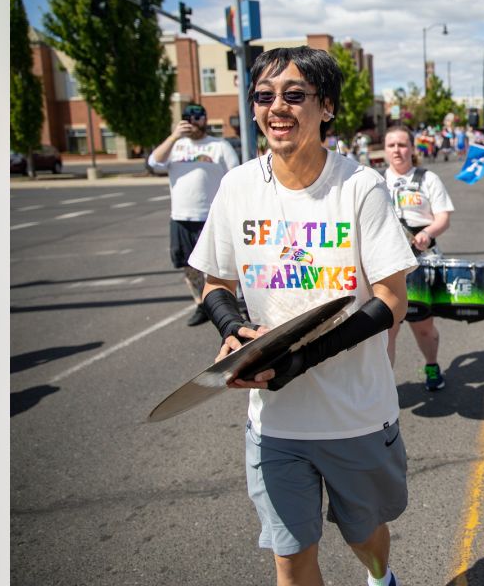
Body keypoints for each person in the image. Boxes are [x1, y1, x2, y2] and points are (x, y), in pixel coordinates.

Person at [188, 46, 417, 586]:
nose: (277, 108)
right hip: (274, 421)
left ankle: (380, 578)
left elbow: (390, 300)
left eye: (294, 95)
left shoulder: (360, 188)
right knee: (290, 556)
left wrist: (305, 357)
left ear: (327, 107)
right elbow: (214, 282)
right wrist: (233, 331)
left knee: (365, 538)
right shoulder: (238, 186)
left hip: (355, 415)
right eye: (264, 97)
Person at [146, 103, 240, 326]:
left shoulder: (218, 146)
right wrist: (173, 136)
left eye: (199, 118)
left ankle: (227, 307)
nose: (195, 122)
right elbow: (153, 162)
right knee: (190, 267)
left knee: (220, 264)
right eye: (189, 118)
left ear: (205, 120)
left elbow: (235, 175)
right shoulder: (175, 147)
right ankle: (201, 304)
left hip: (211, 216)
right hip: (181, 216)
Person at [383, 124, 454, 391]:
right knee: (387, 329)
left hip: (422, 261)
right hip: (387, 266)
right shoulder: (375, 181)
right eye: (392, 145)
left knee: (423, 326)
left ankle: (432, 364)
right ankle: (385, 386)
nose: (397, 150)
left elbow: (443, 217)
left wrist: (427, 233)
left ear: (412, 148)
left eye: (402, 145)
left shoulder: (428, 179)